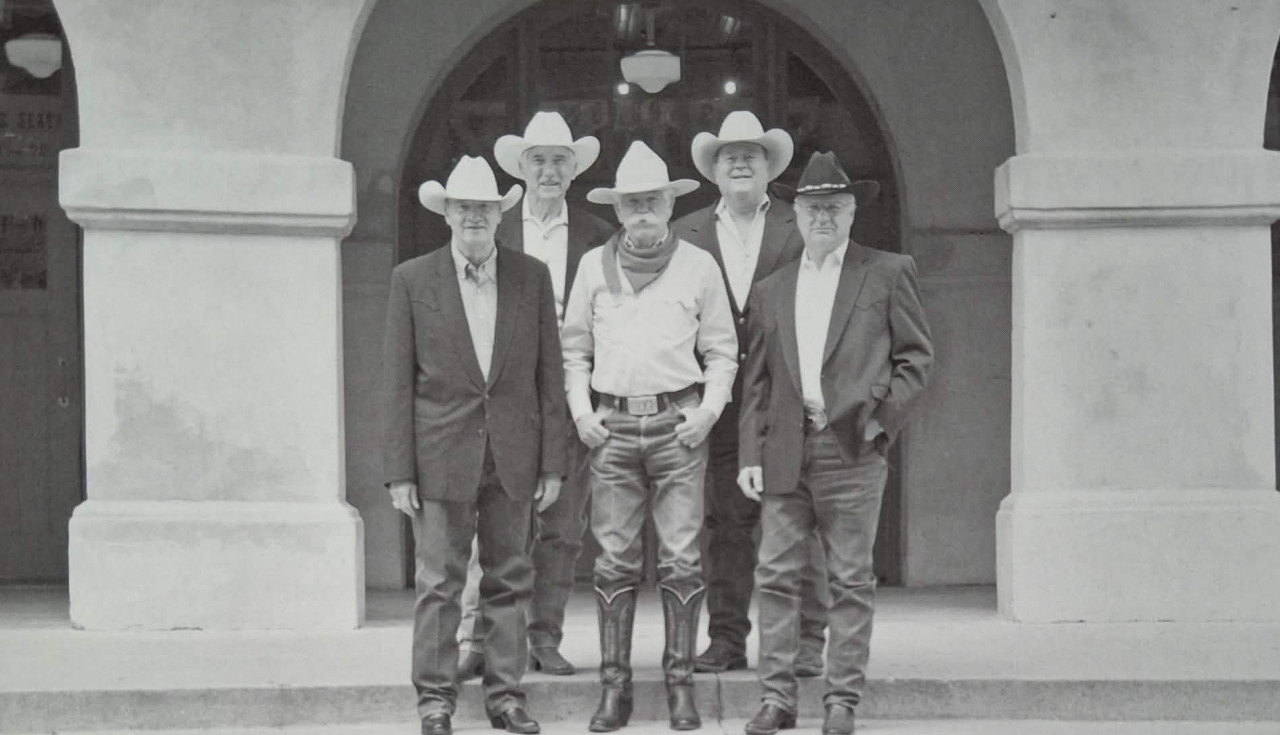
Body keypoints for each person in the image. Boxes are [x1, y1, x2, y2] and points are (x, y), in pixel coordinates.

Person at [738, 152, 933, 735]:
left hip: (851, 448)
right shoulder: (772, 289)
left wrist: (879, 424)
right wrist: (750, 452)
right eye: (813, 207)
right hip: (783, 452)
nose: (822, 216)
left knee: (850, 579)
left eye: (834, 207)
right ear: (796, 214)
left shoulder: (888, 272)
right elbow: (757, 381)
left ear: (851, 213)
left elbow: (916, 360)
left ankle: (841, 701)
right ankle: (776, 700)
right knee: (774, 576)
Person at [383, 155, 566, 735]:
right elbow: (395, 381)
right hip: (439, 455)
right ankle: (435, 701)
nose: (474, 217)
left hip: (514, 455)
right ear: (447, 214)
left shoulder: (531, 276)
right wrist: (399, 472)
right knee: (439, 582)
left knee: (511, 577)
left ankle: (507, 697)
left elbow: (549, 377)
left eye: (484, 208)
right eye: (464, 208)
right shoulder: (412, 280)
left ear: (499, 215)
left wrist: (553, 463)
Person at [562, 141, 738, 732]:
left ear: (669, 204)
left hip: (678, 427)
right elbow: (574, 350)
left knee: (683, 558)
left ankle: (680, 687)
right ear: (617, 210)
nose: (642, 210)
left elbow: (721, 350)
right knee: (613, 560)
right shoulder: (594, 266)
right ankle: (616, 692)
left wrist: (709, 411)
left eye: (652, 200)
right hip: (610, 428)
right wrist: (582, 411)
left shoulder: (698, 265)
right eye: (632, 201)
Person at [454, 111, 615, 680]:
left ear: (574, 170)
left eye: (559, 161)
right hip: (507, 398)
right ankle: (482, 639)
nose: (549, 170)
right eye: (538, 160)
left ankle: (544, 638)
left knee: (563, 528)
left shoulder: (599, 235)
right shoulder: (495, 228)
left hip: (572, 394)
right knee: (494, 525)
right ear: (520, 169)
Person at [672, 110, 828, 676]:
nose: (739, 161)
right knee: (726, 525)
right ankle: (728, 640)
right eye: (728, 154)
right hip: (716, 403)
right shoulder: (683, 231)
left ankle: (807, 644)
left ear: (769, 168)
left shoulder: (801, 221)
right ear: (714, 170)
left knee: (797, 520)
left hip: (788, 396)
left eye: (751, 154)